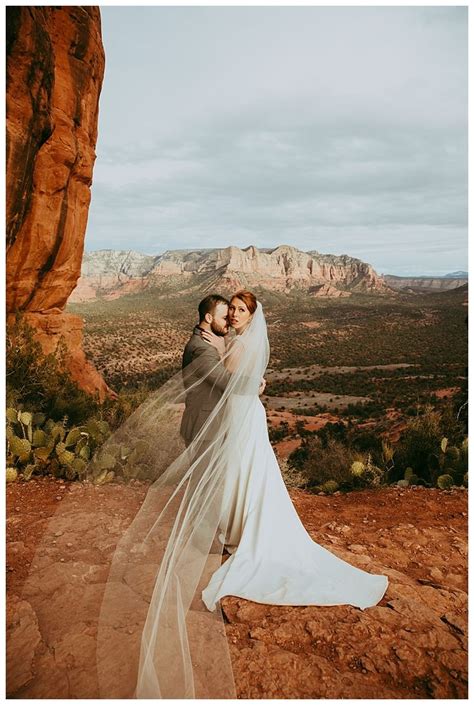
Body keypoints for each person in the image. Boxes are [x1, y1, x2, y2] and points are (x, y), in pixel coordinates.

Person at [94, 290, 389, 699]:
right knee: (238, 473)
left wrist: (253, 383)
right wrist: (256, 382)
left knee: (245, 470)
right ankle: (237, 526)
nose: (231, 314)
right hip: (233, 410)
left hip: (242, 415)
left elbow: (234, 382)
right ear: (213, 315)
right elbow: (227, 381)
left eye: (237, 309)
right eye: (227, 309)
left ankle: (245, 529)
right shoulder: (209, 344)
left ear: (250, 315)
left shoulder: (239, 340)